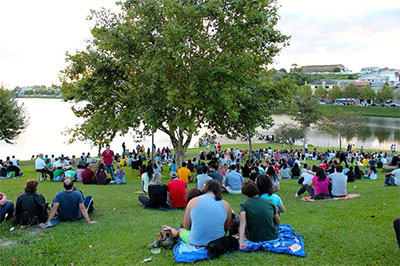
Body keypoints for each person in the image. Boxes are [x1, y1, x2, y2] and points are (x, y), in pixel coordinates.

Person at [162, 180, 232, 246]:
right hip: (218, 242)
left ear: (205, 188)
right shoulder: (226, 205)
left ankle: (173, 231)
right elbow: (227, 227)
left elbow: (186, 226)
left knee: (181, 230)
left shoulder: (193, 201)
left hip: (196, 241)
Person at [239, 181, 279, 249]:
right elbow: (278, 221)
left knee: (238, 217)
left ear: (245, 193)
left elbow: (242, 223)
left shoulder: (244, 204)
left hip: (253, 237)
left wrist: (241, 241)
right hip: (272, 235)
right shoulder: (269, 201)